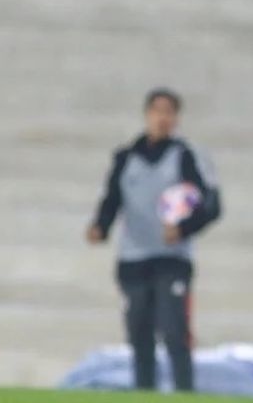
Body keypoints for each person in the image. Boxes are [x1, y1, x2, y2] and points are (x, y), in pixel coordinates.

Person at [86, 89, 222, 392]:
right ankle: (143, 393)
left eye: (169, 111)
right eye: (157, 110)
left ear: (176, 118)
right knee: (139, 335)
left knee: (175, 332)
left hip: (171, 260)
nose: (162, 117)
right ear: (147, 114)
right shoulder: (126, 157)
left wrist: (183, 228)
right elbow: (112, 200)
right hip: (133, 259)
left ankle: (184, 392)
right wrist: (100, 227)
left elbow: (211, 205)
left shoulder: (185, 156)